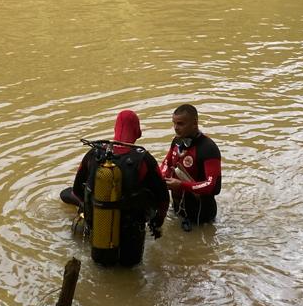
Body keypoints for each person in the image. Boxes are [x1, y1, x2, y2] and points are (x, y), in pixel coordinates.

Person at [60, 110, 169, 266]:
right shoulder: (144, 159)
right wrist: (157, 223)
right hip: (131, 238)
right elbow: (164, 198)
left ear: (115, 128)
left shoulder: (94, 153)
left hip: (100, 232)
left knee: (100, 269)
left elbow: (77, 190)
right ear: (137, 131)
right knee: (131, 274)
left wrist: (92, 210)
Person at [160, 104, 222, 231]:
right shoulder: (177, 141)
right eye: (174, 123)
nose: (176, 128)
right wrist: (161, 177)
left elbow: (212, 186)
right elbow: (167, 163)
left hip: (201, 213)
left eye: (181, 124)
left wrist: (181, 185)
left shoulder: (208, 148)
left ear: (194, 123)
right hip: (178, 207)